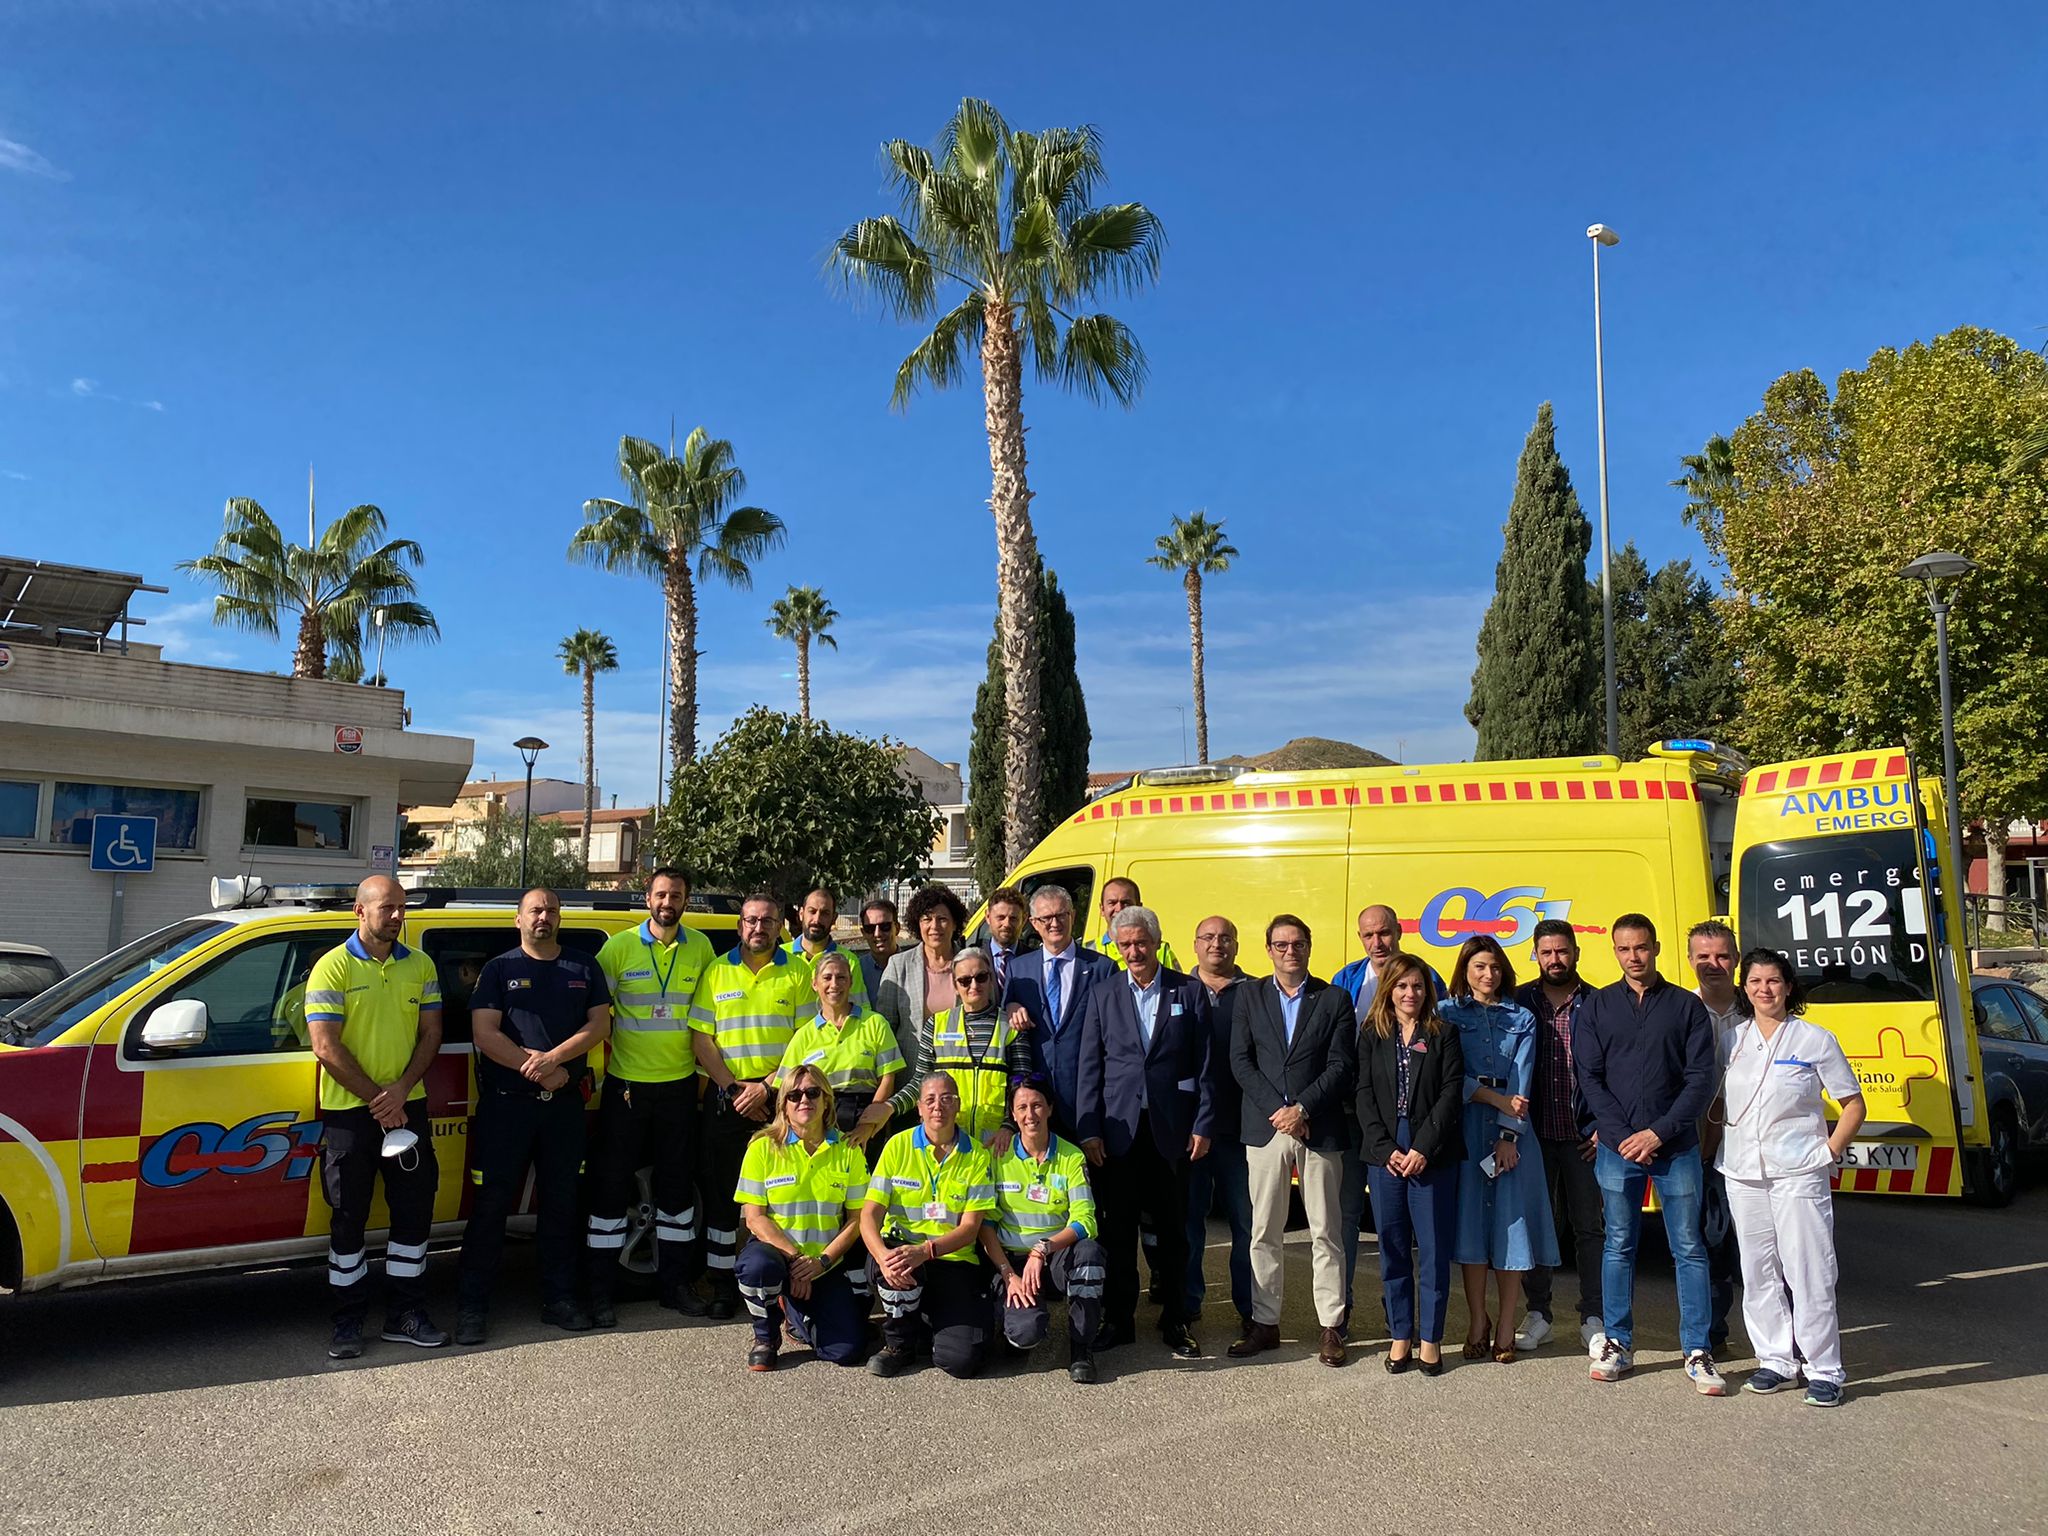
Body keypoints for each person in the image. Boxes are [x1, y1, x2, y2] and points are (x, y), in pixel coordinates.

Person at [456, 887, 612, 1343]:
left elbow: (598, 1024)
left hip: (564, 1107)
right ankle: (471, 1308)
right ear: (518, 919)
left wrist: (554, 1060)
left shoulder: (584, 965)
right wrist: (537, 1068)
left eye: (551, 910)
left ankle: (559, 1299)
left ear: (560, 918)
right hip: (506, 1107)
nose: (544, 917)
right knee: (490, 1209)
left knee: (562, 1207)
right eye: (535, 910)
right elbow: (484, 1033)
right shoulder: (499, 969)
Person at [1575, 913, 1723, 1393]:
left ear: (1656, 949)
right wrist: (1621, 1136)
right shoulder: (1596, 1008)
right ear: (1614, 952)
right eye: (1623, 949)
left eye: (1641, 948)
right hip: (1618, 1148)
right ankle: (1617, 1341)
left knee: (1688, 1248)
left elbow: (1701, 1079)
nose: (1633, 957)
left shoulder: (1685, 1008)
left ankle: (1698, 1350)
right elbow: (1590, 1078)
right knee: (1619, 1244)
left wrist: (1657, 1133)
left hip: (1675, 1146)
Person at [303, 875, 449, 1358]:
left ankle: (406, 1315)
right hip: (351, 1115)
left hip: (408, 1110)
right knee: (348, 1220)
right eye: (386, 908)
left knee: (413, 1217)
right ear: (359, 913)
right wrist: (378, 1099)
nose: (396, 916)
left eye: (400, 908)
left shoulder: (422, 965)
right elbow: (325, 1045)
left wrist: (400, 1092)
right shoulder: (333, 967)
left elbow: (432, 1034)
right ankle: (347, 1323)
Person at [1716, 949, 1866, 1408]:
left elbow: (1853, 1104)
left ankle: (1824, 1369)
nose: (1765, 989)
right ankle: (1776, 1361)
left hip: (1799, 1171)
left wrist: (1829, 1149)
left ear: (1789, 987)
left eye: (1774, 981)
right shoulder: (1731, 1040)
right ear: (1745, 988)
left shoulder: (1814, 1039)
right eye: (1756, 981)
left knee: (1809, 1270)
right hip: (1743, 1172)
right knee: (1759, 1272)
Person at [1075, 904, 1213, 1359]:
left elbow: (1206, 1065)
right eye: (1125, 944)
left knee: (1175, 1232)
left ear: (1156, 942)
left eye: (1140, 942)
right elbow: (1090, 1068)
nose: (1133, 951)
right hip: (1118, 1135)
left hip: (1173, 1133)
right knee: (1118, 1234)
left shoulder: (1189, 992)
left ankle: (1175, 1319)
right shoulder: (1103, 994)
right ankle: (1119, 1320)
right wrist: (1089, 1129)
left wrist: (1203, 1124)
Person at [588, 867, 716, 1323]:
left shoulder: (700, 947)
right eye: (661, 894)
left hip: (680, 1086)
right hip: (626, 1087)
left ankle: (675, 1286)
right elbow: (595, 1013)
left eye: (676, 895)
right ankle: (600, 1292)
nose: (668, 902)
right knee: (609, 1188)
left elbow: (710, 1018)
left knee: (678, 1192)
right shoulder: (618, 948)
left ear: (686, 901)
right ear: (648, 898)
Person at [1229, 913, 1356, 1367]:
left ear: (1308, 946)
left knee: (1327, 1231)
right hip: (1266, 1129)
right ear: (1268, 950)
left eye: (1297, 943)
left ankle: (1330, 1327)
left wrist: (1302, 1109)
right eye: (1280, 945)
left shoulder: (1334, 998)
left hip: (1317, 1127)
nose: (1289, 951)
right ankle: (1265, 1323)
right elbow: (1241, 1062)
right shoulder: (1249, 994)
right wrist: (1279, 1113)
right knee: (1264, 1230)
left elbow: (1342, 1065)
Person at [693, 891, 818, 1318]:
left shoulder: (799, 972)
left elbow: (806, 1041)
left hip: (780, 1099)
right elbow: (701, 1039)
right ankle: (723, 1283)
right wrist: (732, 1089)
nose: (758, 928)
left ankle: (786, 1281)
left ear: (781, 925)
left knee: (785, 1193)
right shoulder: (716, 970)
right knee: (723, 1193)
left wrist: (768, 1088)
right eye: (750, 920)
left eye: (767, 920)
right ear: (739, 925)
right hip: (727, 1096)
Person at [1330, 904, 1446, 1329]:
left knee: (1402, 1226)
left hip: (1406, 1124)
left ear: (1399, 932)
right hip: (1352, 1118)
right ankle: (1338, 1316)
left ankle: (1396, 1317)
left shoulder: (1425, 979)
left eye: (1384, 933)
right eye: (1368, 936)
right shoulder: (1346, 980)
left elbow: (1439, 1054)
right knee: (1345, 1219)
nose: (1377, 943)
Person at [1444, 935, 1557, 1364]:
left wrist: (1509, 1135)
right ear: (1465, 972)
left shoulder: (1522, 1017)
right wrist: (1491, 1099)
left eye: (1493, 967)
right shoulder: (1447, 1013)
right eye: (1478, 967)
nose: (1487, 975)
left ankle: (1507, 1323)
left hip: (1513, 1129)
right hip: (1467, 1127)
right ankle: (1478, 1320)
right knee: (1471, 1228)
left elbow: (1522, 1078)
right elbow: (1448, 1075)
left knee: (1512, 1229)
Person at [1355, 953, 1465, 1374]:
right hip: (1386, 1153)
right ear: (1389, 990)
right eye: (1401, 986)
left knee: (1434, 1250)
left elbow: (1450, 1095)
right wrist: (1386, 1149)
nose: (1409, 993)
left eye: (1417, 986)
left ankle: (1431, 1339)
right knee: (1393, 1248)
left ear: (1427, 991)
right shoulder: (1372, 1035)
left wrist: (1422, 1148)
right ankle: (1400, 1334)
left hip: (1430, 1152)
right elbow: (1363, 1095)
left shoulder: (1444, 1034)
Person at [733, 1062, 873, 1371]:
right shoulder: (763, 1148)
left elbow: (856, 1220)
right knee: (756, 1266)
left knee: (846, 1351)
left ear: (827, 1102)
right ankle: (766, 1337)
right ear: (782, 1105)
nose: (803, 1100)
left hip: (825, 1262)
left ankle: (795, 1315)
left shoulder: (848, 1151)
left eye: (812, 1092)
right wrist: (797, 1262)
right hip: (779, 1257)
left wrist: (820, 1262)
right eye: (793, 1095)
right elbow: (755, 1218)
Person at [861, 1072, 997, 1378]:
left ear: (958, 1105)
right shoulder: (897, 1146)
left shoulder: (976, 1155)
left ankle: (925, 1319)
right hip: (901, 1254)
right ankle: (898, 1344)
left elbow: (971, 1227)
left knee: (962, 1361)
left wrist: (926, 1250)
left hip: (953, 1262)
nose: (939, 1106)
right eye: (931, 1100)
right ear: (919, 1108)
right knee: (899, 1265)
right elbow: (869, 1214)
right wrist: (882, 1256)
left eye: (947, 1098)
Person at [977, 1072, 1108, 1383]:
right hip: (1012, 1262)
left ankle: (1081, 1347)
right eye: (1021, 1108)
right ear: (1012, 1114)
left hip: (1054, 1257)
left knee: (1090, 1254)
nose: (1030, 1114)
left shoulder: (1071, 1156)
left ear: (1049, 1108)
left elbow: (1085, 1220)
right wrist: (1009, 1274)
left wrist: (1044, 1248)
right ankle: (1013, 1316)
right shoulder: (997, 1155)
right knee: (1024, 1336)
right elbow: (986, 1225)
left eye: (1037, 1106)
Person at [1513, 918, 1605, 1356]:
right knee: (1537, 1225)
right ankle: (1539, 1314)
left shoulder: (1600, 1003)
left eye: (1562, 951)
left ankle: (1593, 1316)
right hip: (1534, 1136)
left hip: (1585, 1138)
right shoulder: (1520, 1001)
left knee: (1591, 1229)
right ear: (1535, 955)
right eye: (1546, 952)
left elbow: (1620, 1071)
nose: (1555, 959)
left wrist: (1607, 1127)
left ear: (1576, 953)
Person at [1183, 915, 1256, 1340]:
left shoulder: (1257, 991)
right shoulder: (1181, 988)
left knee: (1247, 1225)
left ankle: (1250, 1308)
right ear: (1194, 945)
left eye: (1226, 937)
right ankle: (1189, 1304)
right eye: (1208, 937)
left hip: (1240, 1130)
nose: (1217, 944)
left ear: (1237, 945)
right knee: (1190, 1225)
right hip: (1191, 1130)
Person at [885, 947, 1031, 1145]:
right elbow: (920, 1082)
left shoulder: (1011, 1026)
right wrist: (888, 1107)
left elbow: (1022, 1086)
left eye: (981, 977)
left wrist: (1009, 1127)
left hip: (997, 1144)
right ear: (955, 986)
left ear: (990, 980)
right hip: (948, 1141)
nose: (973, 985)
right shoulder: (936, 1024)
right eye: (964, 980)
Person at [1005, 885, 1117, 1138]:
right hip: (1033, 1104)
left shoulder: (1102, 968)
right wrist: (1010, 1007)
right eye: (1046, 918)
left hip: (1085, 1102)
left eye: (1061, 916)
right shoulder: (1018, 970)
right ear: (1034, 923)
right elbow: (1005, 1025)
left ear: (1073, 917)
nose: (1054, 923)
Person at [773, 950, 904, 1147]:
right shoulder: (804, 1035)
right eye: (827, 977)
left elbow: (887, 1078)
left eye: (841, 977)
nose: (834, 984)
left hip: (865, 1115)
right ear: (814, 984)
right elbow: (785, 1089)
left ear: (851, 982)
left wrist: (867, 1125)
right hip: (819, 1118)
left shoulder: (875, 1023)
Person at [1689, 919, 1745, 1355]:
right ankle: (1711, 1334)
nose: (1713, 964)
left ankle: (1786, 1343)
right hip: (1699, 1148)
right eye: (1703, 957)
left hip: (1753, 1148)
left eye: (1722, 956)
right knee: (1709, 1242)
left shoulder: (1763, 1005)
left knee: (1765, 1252)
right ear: (1690, 961)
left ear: (1736, 960)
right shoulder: (1680, 1010)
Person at [876, 885, 967, 1066]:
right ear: (918, 923)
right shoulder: (898, 966)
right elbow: (885, 1029)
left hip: (961, 1069)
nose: (934, 926)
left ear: (955, 923)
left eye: (942, 919)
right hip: (912, 1073)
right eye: (927, 919)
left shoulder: (971, 964)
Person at [780, 886, 870, 1007]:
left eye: (825, 913)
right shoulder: (779, 956)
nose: (817, 919)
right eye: (812, 911)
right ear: (801, 914)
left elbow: (859, 1013)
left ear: (834, 918)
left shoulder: (849, 961)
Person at [1083, 876, 1182, 972]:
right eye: (1112, 903)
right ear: (1102, 909)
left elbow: (1177, 985)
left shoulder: (1161, 950)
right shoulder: (1087, 951)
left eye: (1126, 903)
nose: (1119, 909)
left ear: (1139, 907)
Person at [982, 885, 1030, 1001]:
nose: (1007, 924)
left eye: (1013, 918)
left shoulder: (1035, 961)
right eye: (1001, 917)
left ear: (1023, 920)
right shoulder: (974, 957)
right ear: (988, 917)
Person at [856, 897, 901, 1002]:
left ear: (897, 928)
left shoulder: (914, 968)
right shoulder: (856, 970)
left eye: (885, 926)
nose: (877, 934)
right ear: (863, 933)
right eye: (870, 929)